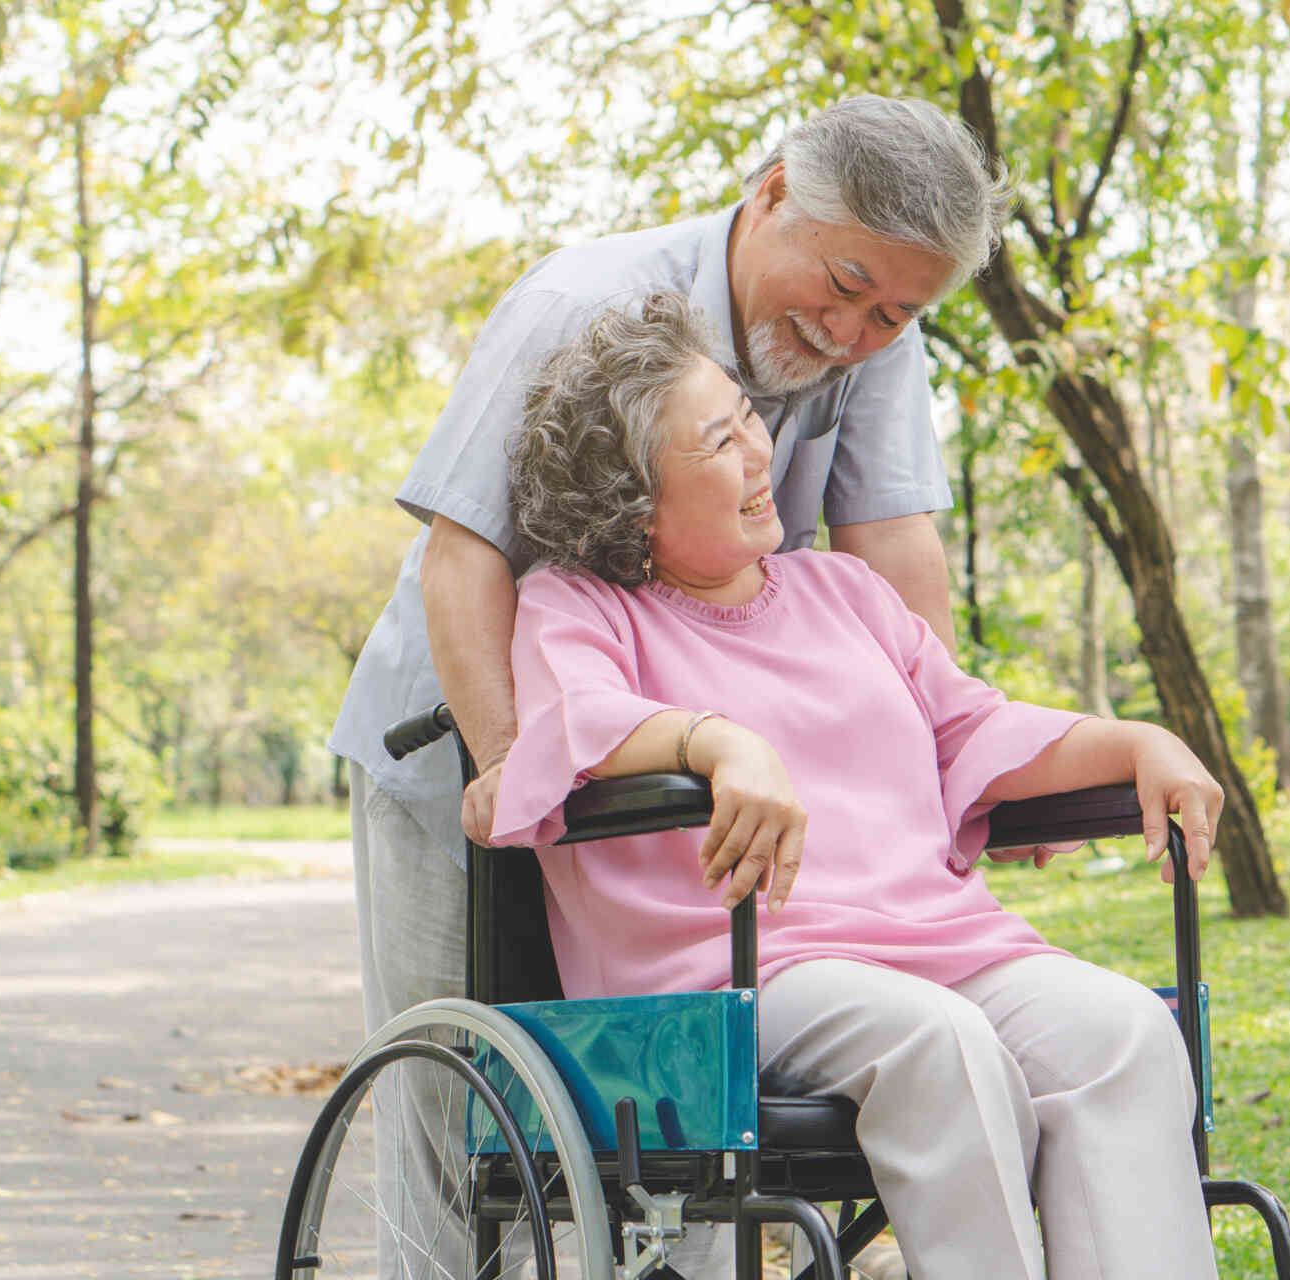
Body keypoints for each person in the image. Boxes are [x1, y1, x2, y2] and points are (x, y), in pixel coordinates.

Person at [327, 96, 1007, 1275]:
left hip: (688, 754)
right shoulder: (578, 302)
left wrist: (936, 768)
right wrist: (508, 768)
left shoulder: (876, 341)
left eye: (896, 309)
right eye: (843, 284)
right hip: (471, 729)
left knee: (675, 1109)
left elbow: (893, 549)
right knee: (474, 1123)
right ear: (772, 194)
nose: (853, 330)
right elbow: (466, 553)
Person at [489, 292, 1223, 1279]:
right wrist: (717, 742)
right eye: (718, 442)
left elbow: (974, 727)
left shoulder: (845, 591)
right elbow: (569, 725)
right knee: (941, 1043)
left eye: (748, 417)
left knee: (1122, 1028)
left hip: (941, 941)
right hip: (739, 974)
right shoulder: (576, 606)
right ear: (633, 497)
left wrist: (1138, 740)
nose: (758, 453)